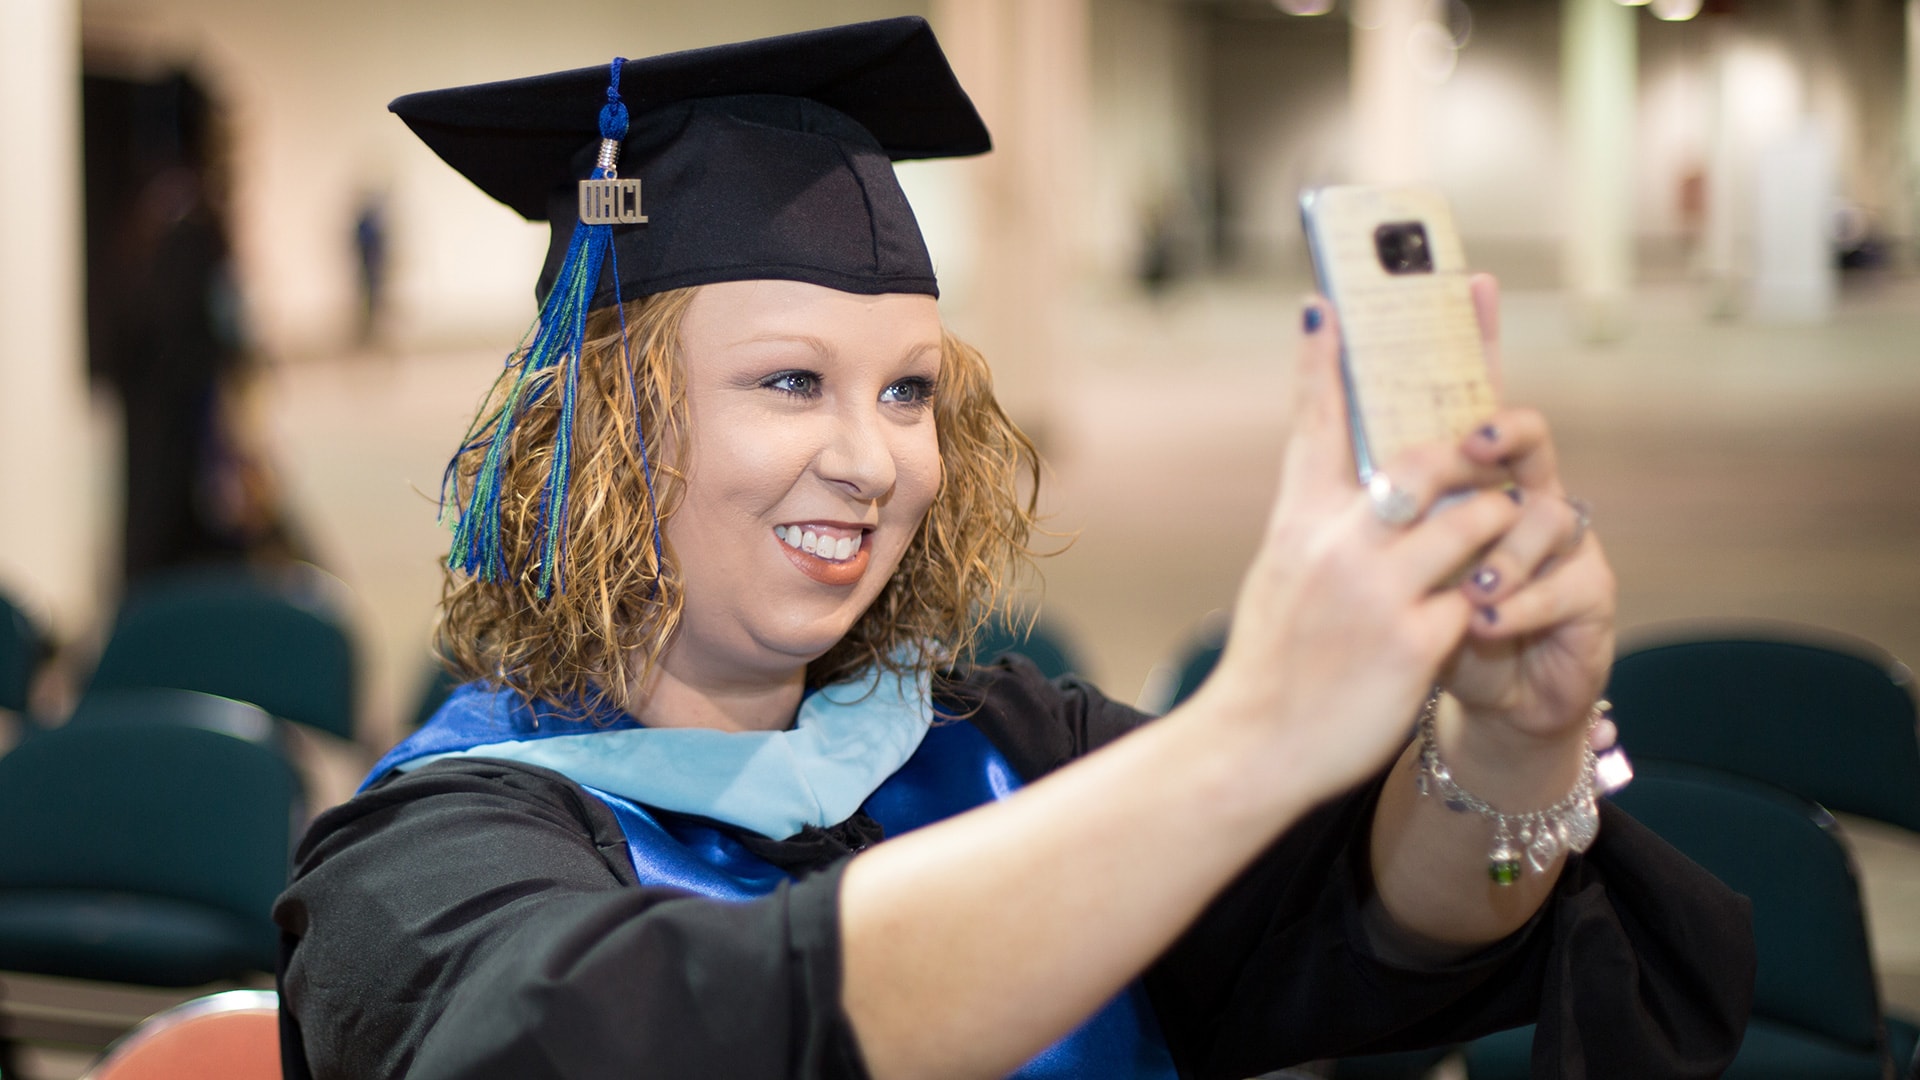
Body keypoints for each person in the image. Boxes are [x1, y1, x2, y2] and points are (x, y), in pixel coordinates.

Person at [273, 18, 1752, 1080]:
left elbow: (1384, 933)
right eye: (791, 382)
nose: (871, 457)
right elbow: (620, 1030)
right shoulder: (426, 860)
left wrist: (1509, 744)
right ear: (603, 429)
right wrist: (1251, 736)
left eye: (909, 390)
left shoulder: (1005, 748)